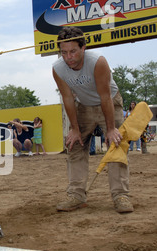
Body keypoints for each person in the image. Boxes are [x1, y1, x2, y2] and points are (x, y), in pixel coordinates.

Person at [52, 26, 133, 214]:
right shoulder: (58, 69)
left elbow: (105, 97)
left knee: (116, 145)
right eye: (64, 52)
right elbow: (67, 98)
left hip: (109, 102)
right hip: (84, 105)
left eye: (73, 51)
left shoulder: (98, 62)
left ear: (83, 48)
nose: (68, 57)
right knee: (74, 145)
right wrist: (74, 129)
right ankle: (76, 195)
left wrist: (111, 129)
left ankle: (121, 195)